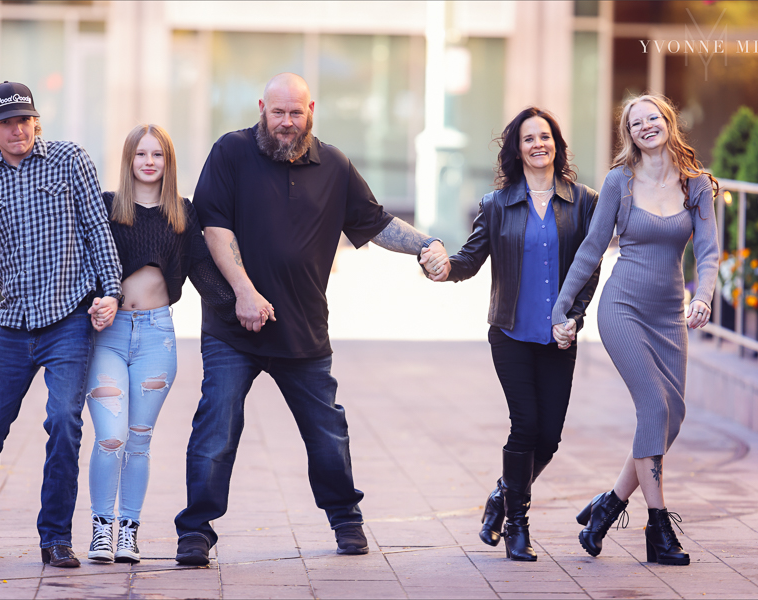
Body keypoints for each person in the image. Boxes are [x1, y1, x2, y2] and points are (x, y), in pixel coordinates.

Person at [173, 72, 450, 566]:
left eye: (295, 112)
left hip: (303, 330)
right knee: (216, 425)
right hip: (233, 327)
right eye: (277, 111)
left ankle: (345, 518)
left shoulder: (335, 165)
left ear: (311, 111)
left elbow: (377, 223)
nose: (285, 122)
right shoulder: (231, 153)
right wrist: (244, 293)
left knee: (327, 432)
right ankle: (195, 530)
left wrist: (426, 244)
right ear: (262, 107)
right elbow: (213, 228)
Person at [0, 81, 122, 567]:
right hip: (14, 327)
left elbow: (97, 230)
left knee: (63, 422)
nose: (18, 129)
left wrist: (110, 292)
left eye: (25, 120)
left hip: (69, 321)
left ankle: (55, 537)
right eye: (6, 122)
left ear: (36, 121)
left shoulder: (70, 160)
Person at [551, 93, 719, 566]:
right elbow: (590, 249)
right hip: (622, 308)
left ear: (668, 122)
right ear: (629, 134)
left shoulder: (697, 186)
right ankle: (658, 526)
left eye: (653, 117)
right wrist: (561, 310)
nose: (646, 126)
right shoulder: (619, 182)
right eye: (636, 122)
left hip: (670, 312)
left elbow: (708, 253)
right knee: (653, 405)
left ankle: (609, 504)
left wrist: (703, 295)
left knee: (672, 417)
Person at [430, 107, 600, 561]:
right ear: (517, 149)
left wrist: (575, 317)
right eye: (529, 138)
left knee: (549, 438)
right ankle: (517, 526)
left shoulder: (584, 201)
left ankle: (500, 496)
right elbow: (469, 259)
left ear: (557, 145)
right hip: (510, 333)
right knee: (525, 427)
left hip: (559, 337)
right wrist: (446, 268)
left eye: (545, 136)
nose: (538, 144)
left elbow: (590, 269)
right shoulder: (496, 204)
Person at [84, 125, 237, 563]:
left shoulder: (182, 214)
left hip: (156, 338)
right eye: (141, 154)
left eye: (158, 155)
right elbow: (83, 267)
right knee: (110, 437)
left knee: (138, 439)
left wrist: (246, 301)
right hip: (109, 336)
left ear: (168, 163)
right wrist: (93, 303)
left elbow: (208, 276)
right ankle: (100, 528)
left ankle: (128, 531)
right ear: (129, 160)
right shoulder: (106, 208)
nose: (149, 162)